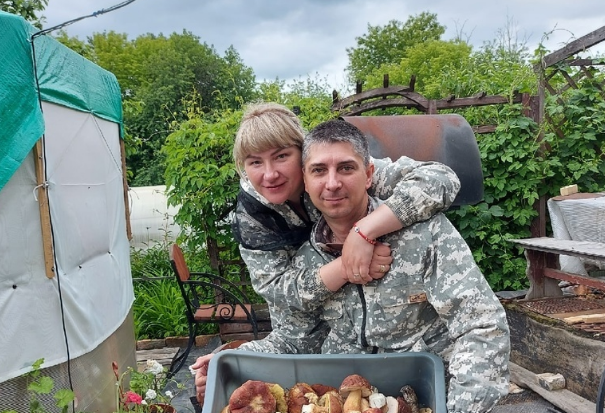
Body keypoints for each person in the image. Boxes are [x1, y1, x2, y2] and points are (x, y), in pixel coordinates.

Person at [195, 119, 510, 413]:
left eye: (346, 168)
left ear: (370, 174)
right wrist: (232, 357)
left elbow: (483, 327)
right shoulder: (305, 266)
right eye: (318, 172)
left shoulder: (426, 235)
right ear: (306, 183)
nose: (332, 183)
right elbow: (292, 343)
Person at [192, 101, 461, 373]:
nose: (270, 174)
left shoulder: (340, 171)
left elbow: (440, 180)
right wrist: (347, 264)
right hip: (318, 325)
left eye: (282, 156)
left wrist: (364, 231)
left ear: (303, 153)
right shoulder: (255, 217)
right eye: (255, 162)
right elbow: (278, 291)